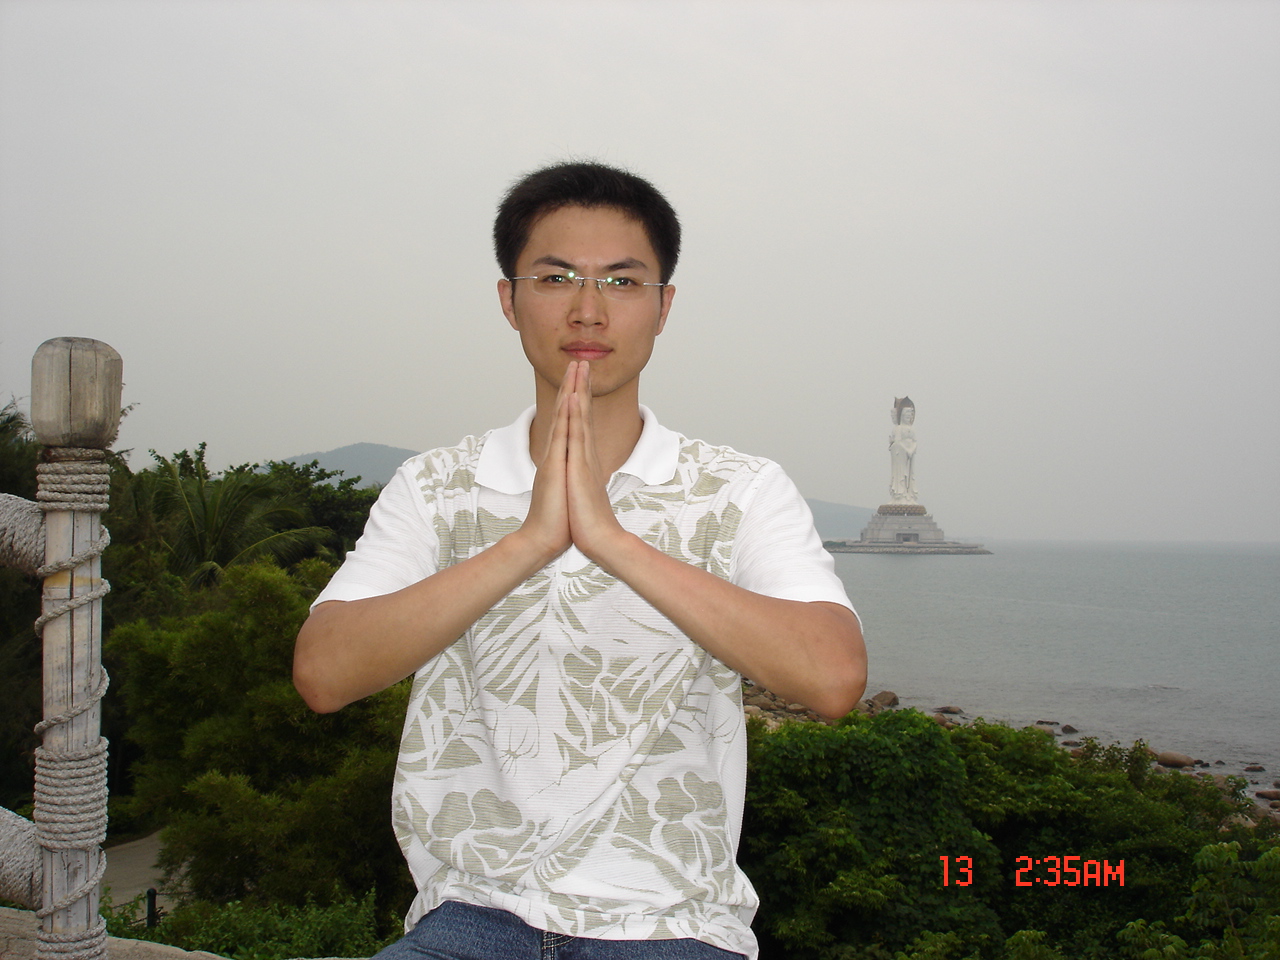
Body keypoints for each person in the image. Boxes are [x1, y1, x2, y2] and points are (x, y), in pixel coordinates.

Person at [292, 161, 866, 960]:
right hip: (468, 918)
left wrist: (612, 541)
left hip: (672, 927)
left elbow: (832, 679)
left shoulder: (739, 489)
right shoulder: (435, 486)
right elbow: (324, 673)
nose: (588, 309)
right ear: (509, 299)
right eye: (556, 277)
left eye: (622, 282)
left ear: (664, 306)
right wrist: (531, 541)